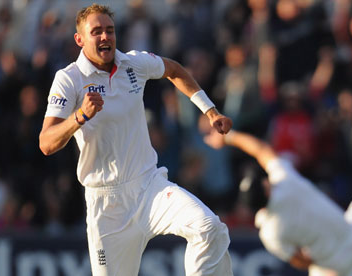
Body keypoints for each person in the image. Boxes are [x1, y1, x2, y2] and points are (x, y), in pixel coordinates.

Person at [39, 4, 233, 276]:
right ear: (79, 39)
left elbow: (174, 70)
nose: (105, 37)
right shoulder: (68, 78)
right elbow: (46, 143)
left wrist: (210, 110)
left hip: (148, 186)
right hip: (106, 206)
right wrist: (80, 116)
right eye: (96, 32)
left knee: (208, 226)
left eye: (110, 30)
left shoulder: (133, 62)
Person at [204, 129, 352, 276]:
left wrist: (320, 263)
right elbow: (262, 150)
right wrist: (228, 137)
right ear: (265, 189)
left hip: (333, 266)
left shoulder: (269, 232)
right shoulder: (284, 180)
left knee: (316, 269)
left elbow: (298, 260)